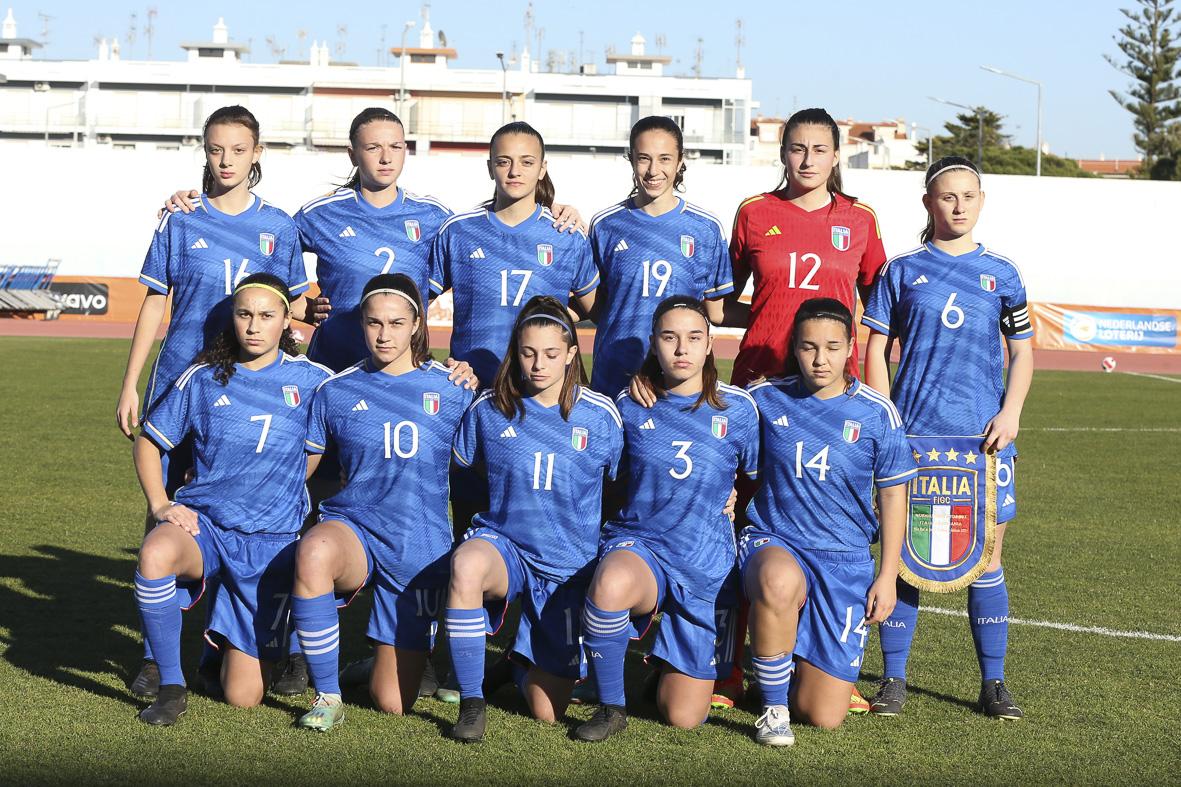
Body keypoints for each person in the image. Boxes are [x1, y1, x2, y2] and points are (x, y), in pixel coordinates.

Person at [117, 105, 314, 701]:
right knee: (170, 513)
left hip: (251, 390)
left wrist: (304, 330)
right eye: (214, 149)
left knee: (250, 514)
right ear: (204, 152)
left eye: (237, 149)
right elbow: (155, 303)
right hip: (185, 384)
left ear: (257, 155)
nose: (225, 160)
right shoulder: (179, 219)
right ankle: (157, 657)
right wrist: (130, 383)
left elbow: (295, 307)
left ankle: (244, 640)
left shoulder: (280, 226)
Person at [710, 107, 890, 710]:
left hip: (836, 400)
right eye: (796, 148)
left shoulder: (860, 219)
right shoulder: (754, 213)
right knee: (742, 525)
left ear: (837, 155)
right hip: (763, 390)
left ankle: (824, 664)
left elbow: (879, 302)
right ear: (781, 153)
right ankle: (729, 669)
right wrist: (770, 317)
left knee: (832, 524)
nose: (807, 159)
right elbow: (720, 305)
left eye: (819, 148)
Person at [862, 156, 1034, 720]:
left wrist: (1010, 412)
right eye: (947, 197)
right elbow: (875, 349)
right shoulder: (902, 269)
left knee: (987, 560)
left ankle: (995, 682)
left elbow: (1023, 352)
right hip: (914, 439)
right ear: (928, 204)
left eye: (968, 196)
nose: (958, 206)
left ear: (981, 201)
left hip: (984, 442)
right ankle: (893, 680)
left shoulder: (1003, 273)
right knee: (903, 555)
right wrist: (886, 418)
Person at [132, 273, 332, 725]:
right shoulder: (203, 378)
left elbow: (322, 451)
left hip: (270, 542)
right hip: (206, 527)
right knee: (155, 553)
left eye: (266, 315)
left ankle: (215, 650)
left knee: (243, 697)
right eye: (244, 314)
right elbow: (148, 443)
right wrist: (162, 504)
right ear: (233, 319)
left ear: (287, 321)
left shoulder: (316, 382)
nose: (254, 325)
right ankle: (169, 685)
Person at [292, 273, 475, 731]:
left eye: (396, 323)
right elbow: (302, 467)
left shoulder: (455, 388)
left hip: (418, 542)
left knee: (393, 702)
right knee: (313, 550)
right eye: (374, 323)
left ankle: (374, 666)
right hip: (354, 526)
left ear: (417, 324)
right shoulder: (335, 390)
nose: (384, 334)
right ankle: (326, 695)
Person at [575, 296, 758, 742]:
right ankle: (610, 706)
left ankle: (663, 664)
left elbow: (759, 481)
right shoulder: (630, 404)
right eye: (669, 337)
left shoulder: (740, 410)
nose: (682, 348)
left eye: (694, 337)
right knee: (611, 584)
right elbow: (603, 478)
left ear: (710, 343)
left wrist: (733, 497)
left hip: (704, 562)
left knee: (683, 716)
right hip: (644, 544)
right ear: (654, 344)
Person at [445, 296, 623, 742]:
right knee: (466, 565)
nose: (538, 364)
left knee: (547, 710)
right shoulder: (490, 407)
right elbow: (473, 462)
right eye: (528, 353)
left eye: (549, 353)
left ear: (570, 354)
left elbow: (623, 484)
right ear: (515, 353)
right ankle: (471, 702)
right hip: (505, 545)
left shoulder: (601, 415)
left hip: (568, 564)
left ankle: (515, 663)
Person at [740, 297, 914, 746]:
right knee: (778, 582)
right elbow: (701, 418)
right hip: (775, 539)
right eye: (809, 347)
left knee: (823, 715)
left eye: (833, 347)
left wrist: (888, 575)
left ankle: (780, 663)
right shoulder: (763, 398)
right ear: (793, 347)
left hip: (844, 559)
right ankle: (773, 708)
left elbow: (894, 494)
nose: (821, 359)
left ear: (850, 347)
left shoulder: (877, 412)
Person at [428, 121, 600, 386]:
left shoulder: (566, 234)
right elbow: (411, 308)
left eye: (527, 162)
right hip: (474, 389)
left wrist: (555, 316)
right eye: (504, 162)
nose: (514, 172)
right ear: (490, 168)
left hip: (542, 392)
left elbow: (600, 310)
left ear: (543, 169)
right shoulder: (458, 231)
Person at [586, 116, 733, 396]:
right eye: (644, 158)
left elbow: (715, 311)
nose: (654, 170)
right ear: (631, 160)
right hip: (614, 380)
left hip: (679, 383)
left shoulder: (706, 229)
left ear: (680, 161)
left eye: (665, 159)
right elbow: (596, 308)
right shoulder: (605, 225)